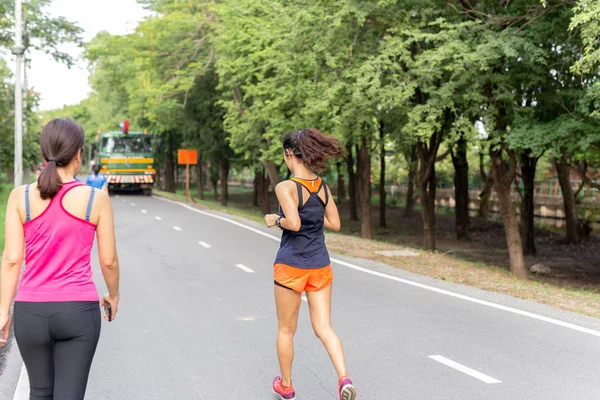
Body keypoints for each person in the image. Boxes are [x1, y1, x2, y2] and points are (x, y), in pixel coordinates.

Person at [0, 118, 120, 400]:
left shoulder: (20, 197)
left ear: (43, 154)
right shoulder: (95, 198)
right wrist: (113, 296)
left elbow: (11, 260)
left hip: (30, 312)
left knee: (39, 393)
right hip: (77, 312)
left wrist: (4, 310)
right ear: (79, 153)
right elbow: (109, 261)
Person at [264, 128, 356, 400]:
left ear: (289, 154)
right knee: (324, 328)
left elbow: (292, 223)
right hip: (319, 265)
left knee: (285, 329)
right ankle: (344, 379)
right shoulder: (323, 186)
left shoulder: (286, 187)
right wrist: (314, 219)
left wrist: (275, 220)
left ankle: (287, 385)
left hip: (291, 266)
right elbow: (336, 224)